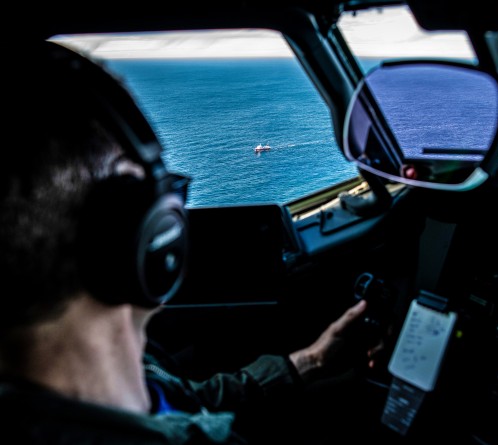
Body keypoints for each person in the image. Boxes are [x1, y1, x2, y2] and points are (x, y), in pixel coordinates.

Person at [0, 40, 383, 444]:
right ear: (145, 238)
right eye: (169, 195)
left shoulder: (131, 387)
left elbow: (189, 399)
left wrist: (314, 360)